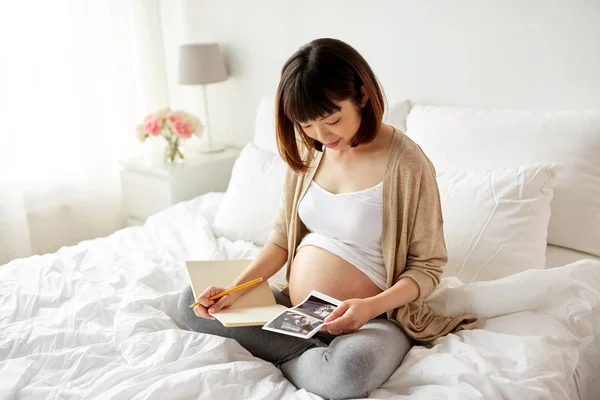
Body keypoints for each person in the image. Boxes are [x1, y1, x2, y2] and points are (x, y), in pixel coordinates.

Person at [178, 38, 477, 399]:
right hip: (296, 310)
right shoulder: (310, 152)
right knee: (191, 302)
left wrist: (369, 307)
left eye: (331, 120)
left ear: (363, 96)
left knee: (347, 374)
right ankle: (302, 356)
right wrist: (236, 289)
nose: (321, 137)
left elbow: (427, 267)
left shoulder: (408, 164)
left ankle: (284, 353)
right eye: (306, 125)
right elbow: (281, 239)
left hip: (371, 318)